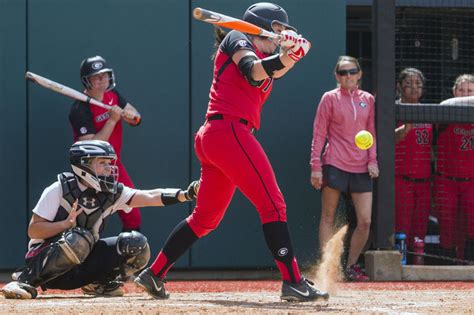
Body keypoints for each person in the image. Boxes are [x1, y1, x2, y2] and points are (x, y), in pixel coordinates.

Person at [133, 2, 328, 302]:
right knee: (273, 205)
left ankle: (154, 274)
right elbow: (253, 72)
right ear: (265, 25)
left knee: (204, 220)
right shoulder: (237, 37)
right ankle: (293, 281)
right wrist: (288, 54)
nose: (282, 33)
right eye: (279, 28)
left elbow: (275, 70)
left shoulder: (267, 54)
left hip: (220, 138)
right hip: (228, 133)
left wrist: (292, 53)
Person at [0, 140, 199, 299]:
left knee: (137, 244)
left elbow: (148, 196)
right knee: (79, 238)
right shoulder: (59, 189)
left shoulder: (110, 192)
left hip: (81, 265)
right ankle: (25, 280)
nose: (108, 168)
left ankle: (98, 283)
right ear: (84, 165)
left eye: (109, 163)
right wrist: (65, 225)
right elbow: (34, 230)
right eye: (102, 163)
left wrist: (185, 194)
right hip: (45, 266)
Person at [310, 56, 378, 281]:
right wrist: (316, 167)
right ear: (337, 76)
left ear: (360, 74)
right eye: (342, 72)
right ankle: (328, 268)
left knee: (365, 220)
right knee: (328, 216)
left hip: (361, 166)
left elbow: (371, 133)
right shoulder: (329, 98)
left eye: (352, 71)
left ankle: (350, 266)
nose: (347, 76)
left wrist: (372, 160)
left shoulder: (368, 99)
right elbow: (319, 133)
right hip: (334, 163)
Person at [69, 55, 142, 232]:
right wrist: (112, 120)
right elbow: (90, 149)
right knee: (90, 219)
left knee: (132, 212)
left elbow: (136, 117)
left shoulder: (113, 96)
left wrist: (130, 116)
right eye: (96, 76)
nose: (102, 79)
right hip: (90, 171)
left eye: (104, 75)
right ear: (87, 81)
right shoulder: (80, 109)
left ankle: (129, 255)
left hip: (113, 165)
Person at [435, 74, 474, 263]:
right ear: (454, 91)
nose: (464, 94)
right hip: (446, 179)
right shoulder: (445, 111)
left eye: (470, 91)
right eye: (461, 90)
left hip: (471, 181)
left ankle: (469, 265)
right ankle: (446, 268)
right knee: (447, 226)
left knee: (472, 225)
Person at [394, 68, 432, 259]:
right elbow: (386, 140)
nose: (414, 88)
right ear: (399, 87)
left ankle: (419, 266)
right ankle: (401, 266)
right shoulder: (393, 109)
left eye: (418, 84)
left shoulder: (430, 111)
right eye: (408, 84)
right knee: (401, 225)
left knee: (420, 228)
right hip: (402, 179)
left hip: (424, 181)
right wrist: (404, 128)